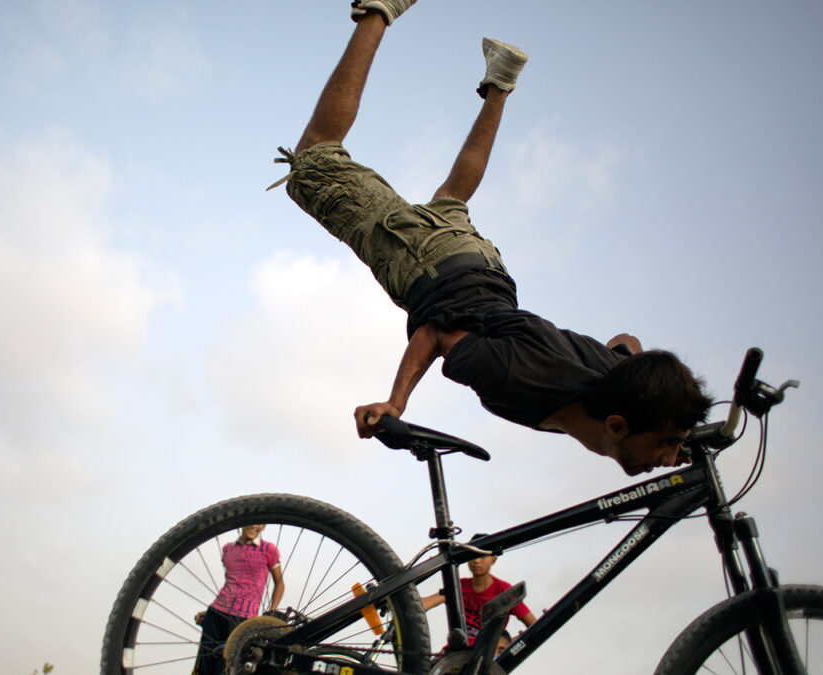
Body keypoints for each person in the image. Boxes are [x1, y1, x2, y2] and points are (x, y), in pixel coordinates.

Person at [274, 0, 713, 475]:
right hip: (431, 266)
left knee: (451, 199)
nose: (671, 459)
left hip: (484, 271)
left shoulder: (617, 382)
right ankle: (379, 10)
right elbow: (438, 332)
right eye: (669, 445)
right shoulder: (517, 380)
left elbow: (626, 341)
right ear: (618, 424)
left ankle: (499, 85)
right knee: (315, 158)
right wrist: (397, 401)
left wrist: (669, 413)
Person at [193, 524, 286, 675]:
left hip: (243, 617)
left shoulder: (269, 550)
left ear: (262, 527)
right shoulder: (228, 549)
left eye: (259, 523)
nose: (253, 525)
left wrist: (272, 612)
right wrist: (208, 611)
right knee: (204, 667)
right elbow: (232, 584)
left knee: (228, 668)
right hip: (216, 612)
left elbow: (280, 584)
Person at [421, 553, 536, 648]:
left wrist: (506, 645)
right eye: (473, 556)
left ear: (493, 559)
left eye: (482, 556)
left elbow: (534, 625)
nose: (476, 561)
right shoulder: (460, 586)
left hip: (485, 653)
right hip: (456, 653)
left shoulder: (503, 590)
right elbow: (424, 604)